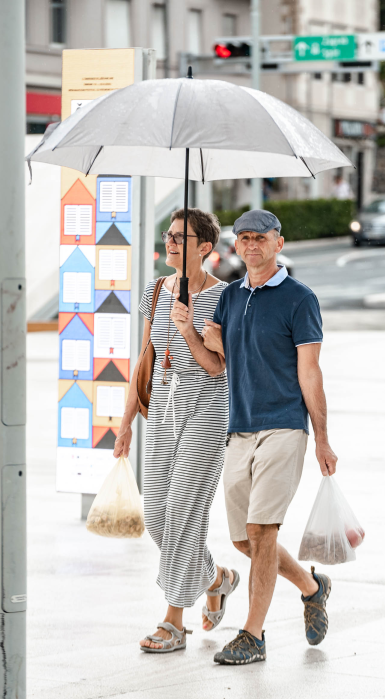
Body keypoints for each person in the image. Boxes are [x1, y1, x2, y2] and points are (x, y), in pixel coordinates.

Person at [203, 209, 338, 666]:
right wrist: (189, 332)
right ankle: (311, 587)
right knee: (244, 540)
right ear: (235, 246)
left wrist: (321, 437)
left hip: (284, 426)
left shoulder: (300, 299)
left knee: (263, 531)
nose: (250, 244)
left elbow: (310, 371)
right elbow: (218, 363)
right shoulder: (229, 298)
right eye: (242, 238)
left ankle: (253, 635)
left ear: (279, 243)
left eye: (260, 237)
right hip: (238, 429)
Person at [113, 208, 238, 653]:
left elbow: (217, 368)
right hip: (162, 413)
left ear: (205, 248)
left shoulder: (225, 297)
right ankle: (216, 577)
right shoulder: (154, 291)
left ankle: (173, 622)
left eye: (181, 238)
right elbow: (142, 359)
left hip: (206, 416)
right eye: (168, 235)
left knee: (185, 515)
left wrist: (188, 331)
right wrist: (125, 423)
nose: (170, 243)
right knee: (158, 520)